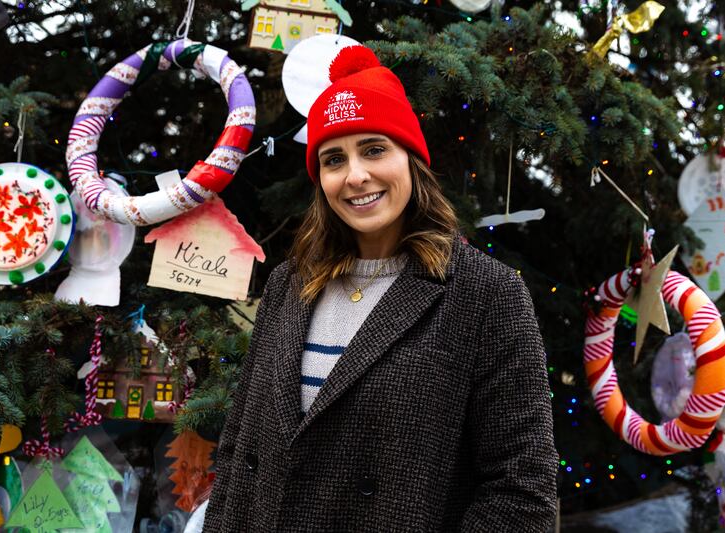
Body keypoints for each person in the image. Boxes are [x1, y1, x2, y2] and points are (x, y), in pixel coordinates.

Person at [203, 45, 557, 532]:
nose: (355, 176)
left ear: (411, 159)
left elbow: (521, 491)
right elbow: (239, 449)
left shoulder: (486, 294)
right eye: (333, 159)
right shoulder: (291, 282)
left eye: (374, 149)